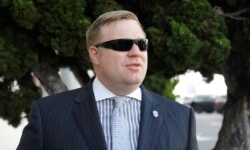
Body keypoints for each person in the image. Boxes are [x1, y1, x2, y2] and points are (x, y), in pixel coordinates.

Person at [17, 10, 198, 150]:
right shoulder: (47, 115)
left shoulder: (182, 118)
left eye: (142, 44)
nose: (136, 53)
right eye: (123, 44)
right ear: (95, 55)